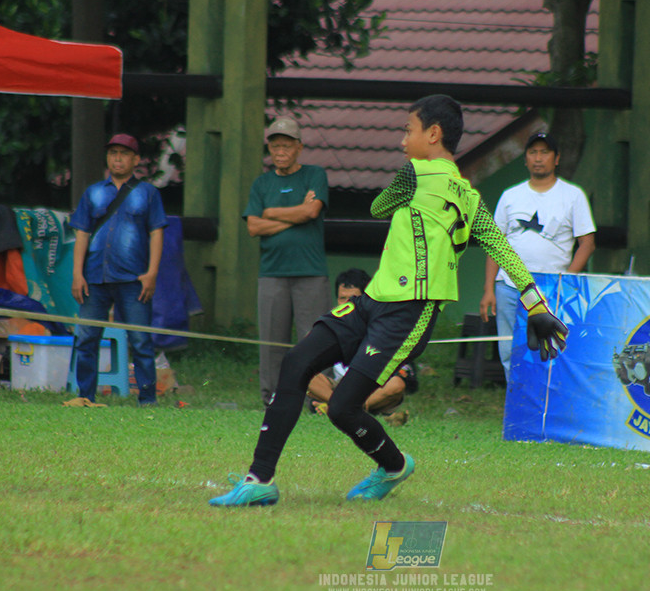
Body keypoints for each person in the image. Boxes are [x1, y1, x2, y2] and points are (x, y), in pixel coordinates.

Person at [210, 94, 568, 507]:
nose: (402, 140)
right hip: (371, 301)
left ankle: (394, 466)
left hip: (410, 312)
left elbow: (379, 207)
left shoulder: (419, 176)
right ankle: (260, 480)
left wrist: (404, 191)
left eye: (408, 130)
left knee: (344, 407)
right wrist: (535, 305)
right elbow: (503, 249)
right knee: (295, 362)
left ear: (433, 135)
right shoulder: (469, 199)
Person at [479, 131, 596, 381]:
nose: (538, 158)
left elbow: (587, 243)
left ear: (556, 158)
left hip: (552, 287)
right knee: (509, 349)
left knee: (550, 347)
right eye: (533, 152)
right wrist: (489, 288)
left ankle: (544, 405)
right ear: (525, 159)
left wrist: (567, 280)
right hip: (510, 287)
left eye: (545, 152)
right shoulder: (510, 196)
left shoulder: (573, 195)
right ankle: (517, 404)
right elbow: (495, 244)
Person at [70, 133, 167, 406]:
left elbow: (157, 233)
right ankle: (85, 396)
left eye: (124, 153)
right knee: (87, 339)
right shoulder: (93, 192)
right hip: (94, 277)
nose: (117, 158)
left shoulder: (148, 193)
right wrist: (77, 273)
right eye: (113, 153)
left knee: (140, 341)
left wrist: (152, 273)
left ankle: (147, 401)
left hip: (134, 278)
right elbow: (82, 234)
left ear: (136, 160)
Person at [243, 117, 331, 407]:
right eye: (275, 145)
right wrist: (295, 215)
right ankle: (272, 400)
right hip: (272, 273)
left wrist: (270, 213)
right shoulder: (262, 183)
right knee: (272, 343)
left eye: (286, 145)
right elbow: (253, 227)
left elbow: (312, 213)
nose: (280, 151)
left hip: (310, 272)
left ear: (299, 148)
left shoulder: (315, 175)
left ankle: (318, 400)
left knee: (314, 341)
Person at [306, 268, 418, 422]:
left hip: (373, 387)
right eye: (342, 298)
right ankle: (346, 409)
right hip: (339, 387)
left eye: (353, 298)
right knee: (305, 372)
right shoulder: (330, 323)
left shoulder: (382, 324)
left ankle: (339, 409)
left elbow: (408, 378)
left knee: (396, 385)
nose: (346, 303)